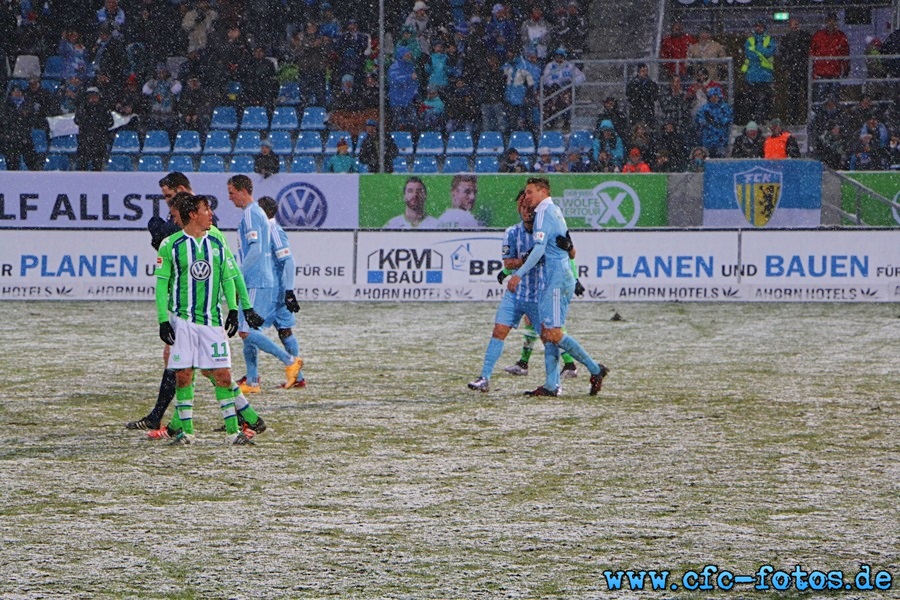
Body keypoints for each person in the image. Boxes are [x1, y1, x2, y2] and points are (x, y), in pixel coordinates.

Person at [127, 172, 263, 437]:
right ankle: (176, 424)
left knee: (203, 370)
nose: (170, 212)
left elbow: (231, 273)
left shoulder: (213, 238)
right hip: (183, 314)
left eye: (170, 202)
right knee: (189, 369)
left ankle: (241, 416)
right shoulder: (177, 241)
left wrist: (241, 307)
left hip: (203, 317)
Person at [507, 177, 609, 397]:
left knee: (553, 332)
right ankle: (551, 384)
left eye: (530, 192)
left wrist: (519, 274)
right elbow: (566, 245)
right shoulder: (554, 210)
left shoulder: (544, 213)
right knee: (547, 331)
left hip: (556, 280)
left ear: (543, 192)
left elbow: (539, 249)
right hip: (556, 279)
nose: (526, 197)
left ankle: (595, 369)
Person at [227, 175, 304, 393]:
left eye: (231, 192)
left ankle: (290, 361)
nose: (229, 197)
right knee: (253, 330)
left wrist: (237, 274)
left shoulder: (253, 213)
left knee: (247, 331)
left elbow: (258, 250)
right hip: (262, 280)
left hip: (257, 280)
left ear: (243, 190)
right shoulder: (256, 213)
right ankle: (252, 381)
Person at [244, 196, 307, 391]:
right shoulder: (267, 229)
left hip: (270, 290)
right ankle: (298, 378)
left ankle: (253, 379)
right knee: (285, 330)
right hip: (277, 289)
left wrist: (289, 290)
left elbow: (288, 260)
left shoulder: (271, 229)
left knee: (249, 329)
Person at [740, 18, 777, 125]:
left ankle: (764, 119)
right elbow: (750, 54)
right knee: (752, 100)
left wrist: (757, 50)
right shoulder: (750, 40)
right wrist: (761, 53)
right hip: (752, 75)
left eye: (760, 26)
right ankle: (754, 120)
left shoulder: (770, 40)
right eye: (757, 26)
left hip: (765, 76)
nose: (758, 28)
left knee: (766, 100)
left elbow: (769, 52)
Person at [809, 13, 850, 103]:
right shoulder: (818, 35)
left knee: (834, 100)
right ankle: (818, 115)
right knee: (819, 101)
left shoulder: (841, 36)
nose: (831, 23)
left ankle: (833, 115)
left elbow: (845, 54)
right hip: (821, 73)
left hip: (834, 73)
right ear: (826, 22)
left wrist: (846, 68)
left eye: (833, 21)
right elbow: (811, 52)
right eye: (829, 21)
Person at [780, 18, 812, 125]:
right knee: (793, 95)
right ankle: (794, 118)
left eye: (796, 24)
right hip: (793, 70)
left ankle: (807, 117)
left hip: (803, 69)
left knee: (806, 94)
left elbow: (809, 50)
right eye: (793, 24)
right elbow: (783, 54)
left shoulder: (805, 36)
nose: (795, 26)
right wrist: (786, 68)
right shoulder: (786, 39)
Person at [74, 87, 113, 171]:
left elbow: (110, 122)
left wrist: (99, 122)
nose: (93, 99)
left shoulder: (104, 108)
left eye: (95, 97)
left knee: (97, 166)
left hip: (99, 141)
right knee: (82, 166)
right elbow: (77, 120)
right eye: (91, 97)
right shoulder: (83, 108)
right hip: (85, 141)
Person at [695, 86, 733, 158]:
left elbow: (728, 119)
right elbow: (699, 119)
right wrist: (707, 123)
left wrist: (715, 122)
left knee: (721, 160)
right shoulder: (704, 108)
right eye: (711, 96)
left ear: (719, 97)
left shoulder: (725, 107)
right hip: (708, 140)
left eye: (715, 96)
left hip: (721, 140)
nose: (713, 98)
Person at [626, 62, 658, 130]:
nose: (645, 73)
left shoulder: (652, 84)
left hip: (648, 112)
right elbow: (630, 96)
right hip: (636, 112)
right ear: (638, 72)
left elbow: (655, 97)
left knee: (649, 132)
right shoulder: (632, 84)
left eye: (646, 71)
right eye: (643, 71)